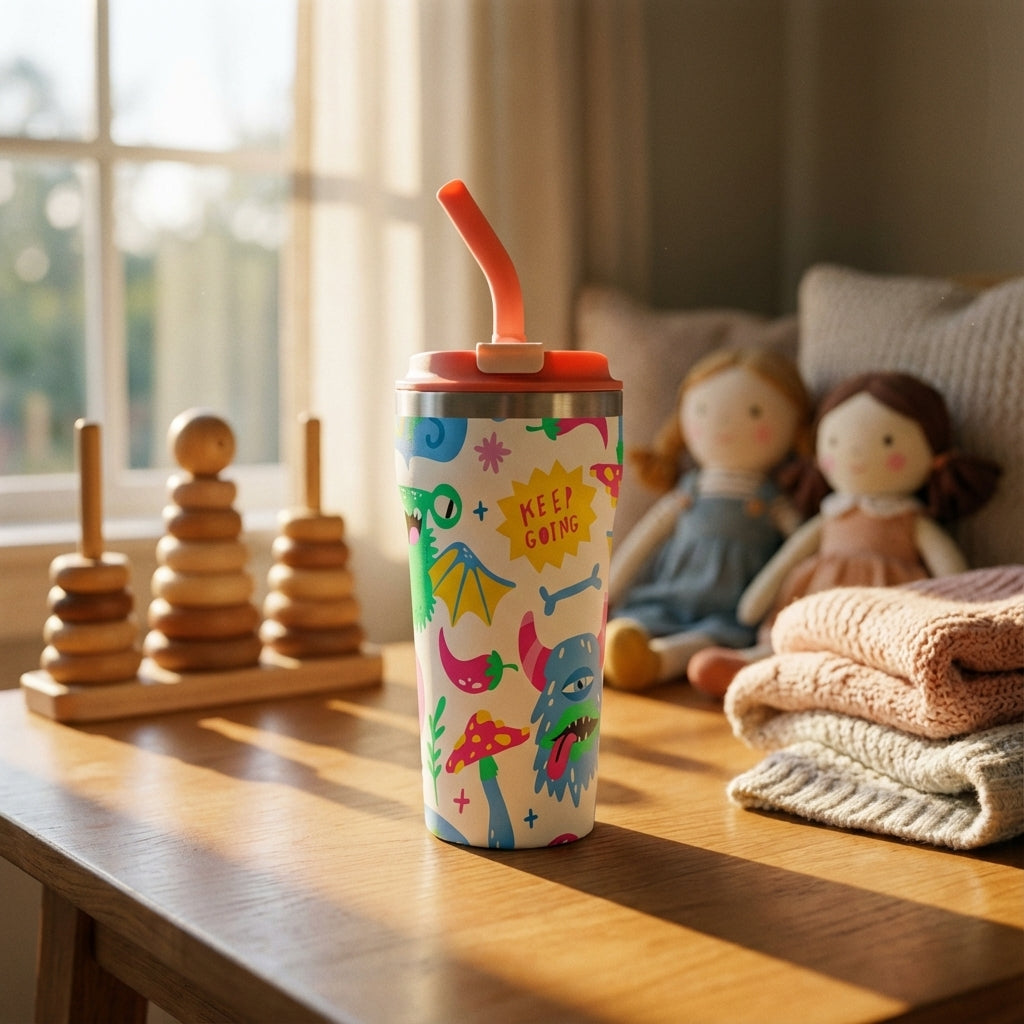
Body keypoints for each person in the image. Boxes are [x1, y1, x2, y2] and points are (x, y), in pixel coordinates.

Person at [688, 370, 1002, 697]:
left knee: (876, 652)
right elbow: (788, 558)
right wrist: (755, 602)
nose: (853, 454)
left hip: (887, 604)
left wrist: (972, 614)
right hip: (817, 599)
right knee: (795, 637)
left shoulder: (910, 520)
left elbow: (955, 578)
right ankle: (757, 667)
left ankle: (811, 683)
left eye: (887, 442)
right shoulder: (830, 514)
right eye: (835, 442)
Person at [604, 347, 811, 691]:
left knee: (712, 641)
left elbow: (801, 547)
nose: (725, 424)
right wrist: (608, 591)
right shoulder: (689, 491)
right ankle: (616, 649)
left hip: (732, 606)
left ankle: (655, 663)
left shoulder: (771, 501)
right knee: (636, 621)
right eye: (703, 411)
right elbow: (647, 537)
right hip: (669, 593)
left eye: (754, 412)